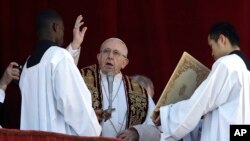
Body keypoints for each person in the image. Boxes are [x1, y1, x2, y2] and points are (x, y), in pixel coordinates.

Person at [153, 22, 250, 141]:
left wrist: (167, 115)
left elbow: (199, 103)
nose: (212, 53)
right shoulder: (245, 68)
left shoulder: (226, 64)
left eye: (212, 46)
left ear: (222, 39)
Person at [18, 9, 101, 136]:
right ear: (55, 27)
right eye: (62, 28)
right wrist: (94, 132)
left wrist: (75, 44)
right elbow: (74, 105)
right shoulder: (59, 56)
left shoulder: (28, 64)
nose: (63, 33)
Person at [80, 37, 158, 139]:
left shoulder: (139, 91)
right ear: (99, 57)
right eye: (106, 51)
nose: (110, 56)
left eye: (116, 53)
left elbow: (156, 128)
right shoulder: (81, 80)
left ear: (124, 63)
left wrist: (137, 132)